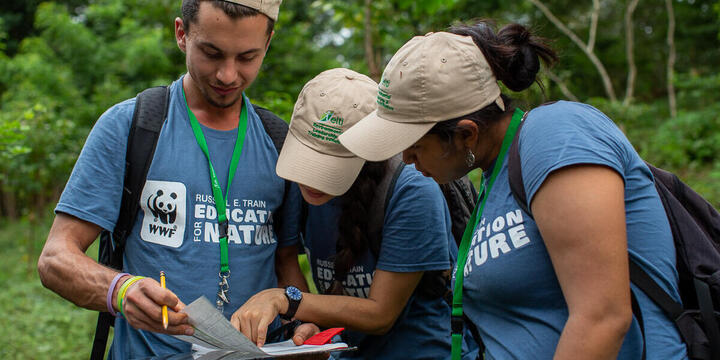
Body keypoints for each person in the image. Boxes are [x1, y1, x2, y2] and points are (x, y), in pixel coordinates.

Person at [337, 21, 689, 359]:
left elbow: (603, 318)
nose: (406, 159)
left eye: (413, 146)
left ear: (466, 134)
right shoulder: (494, 177)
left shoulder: (557, 135)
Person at [37, 1, 315, 358]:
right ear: (182, 34)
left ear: (268, 44)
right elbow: (55, 259)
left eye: (247, 57)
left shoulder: (278, 142)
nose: (228, 75)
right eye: (211, 53)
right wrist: (121, 290)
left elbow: (285, 264)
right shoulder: (132, 126)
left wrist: (299, 321)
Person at [233, 68, 479, 359]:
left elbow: (380, 314)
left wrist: (286, 300)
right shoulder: (299, 190)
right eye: (307, 161)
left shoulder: (412, 190)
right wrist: (310, 323)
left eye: (327, 167)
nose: (311, 181)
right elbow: (287, 262)